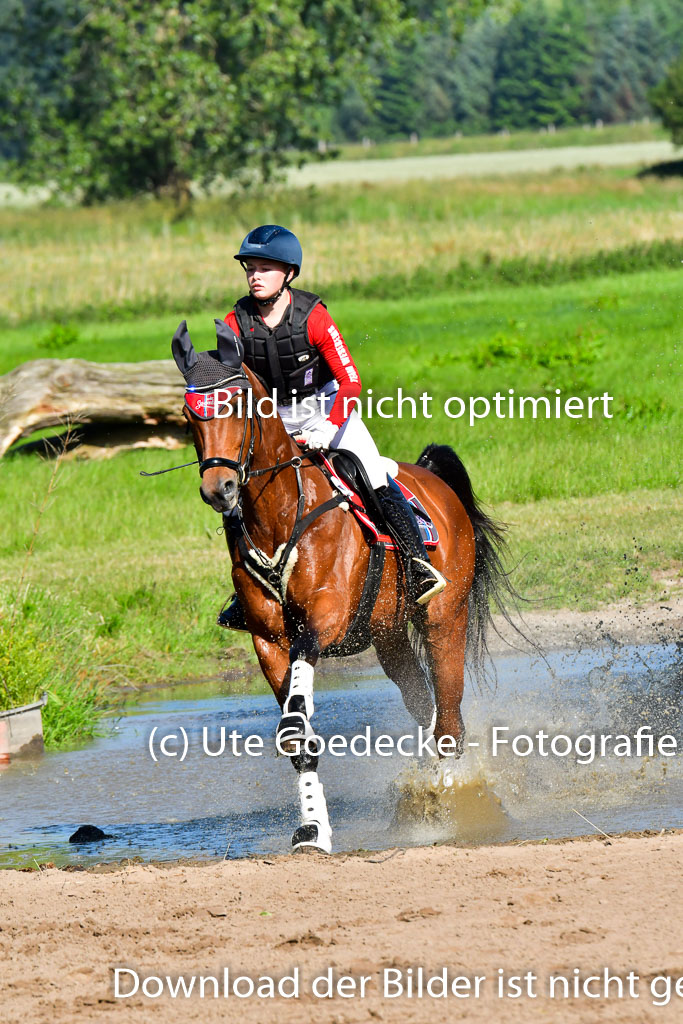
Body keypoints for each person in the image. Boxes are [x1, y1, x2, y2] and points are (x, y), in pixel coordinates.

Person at [218, 224, 446, 629]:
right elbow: (226, 382)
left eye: (265, 267)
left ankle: (417, 565)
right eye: (250, 267)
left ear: (288, 273)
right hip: (272, 421)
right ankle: (244, 594)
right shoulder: (234, 324)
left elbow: (351, 380)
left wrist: (328, 427)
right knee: (239, 494)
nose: (254, 275)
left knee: (373, 474)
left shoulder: (314, 317)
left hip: (327, 409)